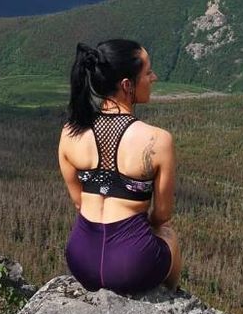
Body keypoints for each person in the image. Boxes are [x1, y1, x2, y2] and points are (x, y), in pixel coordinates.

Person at [58, 39, 181, 294]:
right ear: (127, 85)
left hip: (81, 259)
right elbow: (162, 216)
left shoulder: (70, 132)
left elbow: (79, 202)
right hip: (131, 264)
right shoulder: (158, 140)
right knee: (167, 234)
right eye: (148, 73)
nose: (154, 77)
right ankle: (169, 298)